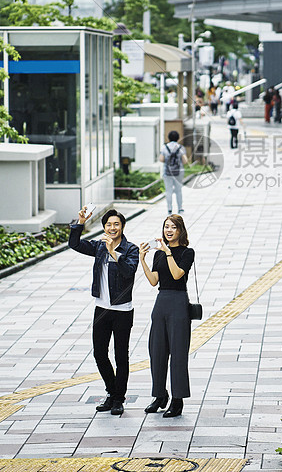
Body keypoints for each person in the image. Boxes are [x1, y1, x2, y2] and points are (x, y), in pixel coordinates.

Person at [68, 208, 139, 416]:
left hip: (122, 310)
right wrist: (80, 222)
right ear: (104, 227)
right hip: (102, 308)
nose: (112, 228)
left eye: (116, 224)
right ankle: (111, 392)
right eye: (109, 225)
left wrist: (113, 252)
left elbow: (128, 272)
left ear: (122, 226)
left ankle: (119, 398)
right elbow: (74, 244)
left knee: (121, 356)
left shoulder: (130, 249)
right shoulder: (99, 247)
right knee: (99, 353)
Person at [139, 215, 194, 418]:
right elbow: (154, 280)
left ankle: (177, 400)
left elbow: (178, 274)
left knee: (178, 354)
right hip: (161, 302)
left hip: (179, 303)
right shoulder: (159, 254)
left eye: (173, 227)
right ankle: (160, 395)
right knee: (157, 351)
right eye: (166, 227)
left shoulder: (187, 252)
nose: (168, 230)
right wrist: (142, 260)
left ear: (180, 230)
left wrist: (168, 253)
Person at [160, 130, 188, 215]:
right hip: (178, 172)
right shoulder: (180, 148)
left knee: (168, 191)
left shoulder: (164, 148)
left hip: (167, 172)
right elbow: (185, 161)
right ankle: (180, 209)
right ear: (178, 138)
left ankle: (169, 209)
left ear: (168, 138)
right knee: (178, 190)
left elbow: (161, 159)